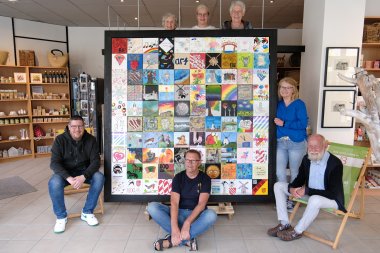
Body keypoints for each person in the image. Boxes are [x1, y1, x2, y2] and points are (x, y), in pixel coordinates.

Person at [267, 134, 345, 241]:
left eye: (316, 146)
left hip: (331, 199)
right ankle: (284, 223)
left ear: (325, 146)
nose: (312, 150)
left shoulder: (335, 164)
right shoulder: (307, 159)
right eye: (310, 146)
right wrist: (292, 188)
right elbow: (300, 179)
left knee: (315, 199)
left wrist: (307, 190)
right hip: (309, 194)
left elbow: (333, 193)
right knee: (278, 186)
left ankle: (297, 231)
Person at [147, 149, 217, 251]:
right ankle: (186, 238)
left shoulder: (205, 178)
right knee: (152, 207)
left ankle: (171, 241)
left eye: (193, 161)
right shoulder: (178, 177)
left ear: (199, 162)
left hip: (195, 216)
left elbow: (202, 204)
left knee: (211, 215)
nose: (189, 163)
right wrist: (175, 228)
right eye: (187, 160)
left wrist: (187, 223)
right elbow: (174, 203)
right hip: (178, 213)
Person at [48, 115, 104, 233]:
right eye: (74, 126)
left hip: (84, 172)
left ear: (84, 127)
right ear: (69, 127)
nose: (77, 129)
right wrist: (68, 178)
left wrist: (84, 176)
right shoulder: (59, 140)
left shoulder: (91, 140)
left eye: (80, 126)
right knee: (54, 182)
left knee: (99, 178)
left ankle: (87, 212)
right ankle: (61, 217)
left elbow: (96, 162)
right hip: (66, 173)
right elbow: (54, 163)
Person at [274, 77, 308, 211]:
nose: (284, 90)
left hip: (296, 142)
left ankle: (292, 200)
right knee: (279, 172)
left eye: (288, 87)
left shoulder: (299, 104)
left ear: (294, 89)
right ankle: (282, 198)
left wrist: (284, 123)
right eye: (282, 87)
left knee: (295, 173)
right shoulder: (278, 104)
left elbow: (303, 124)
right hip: (281, 142)